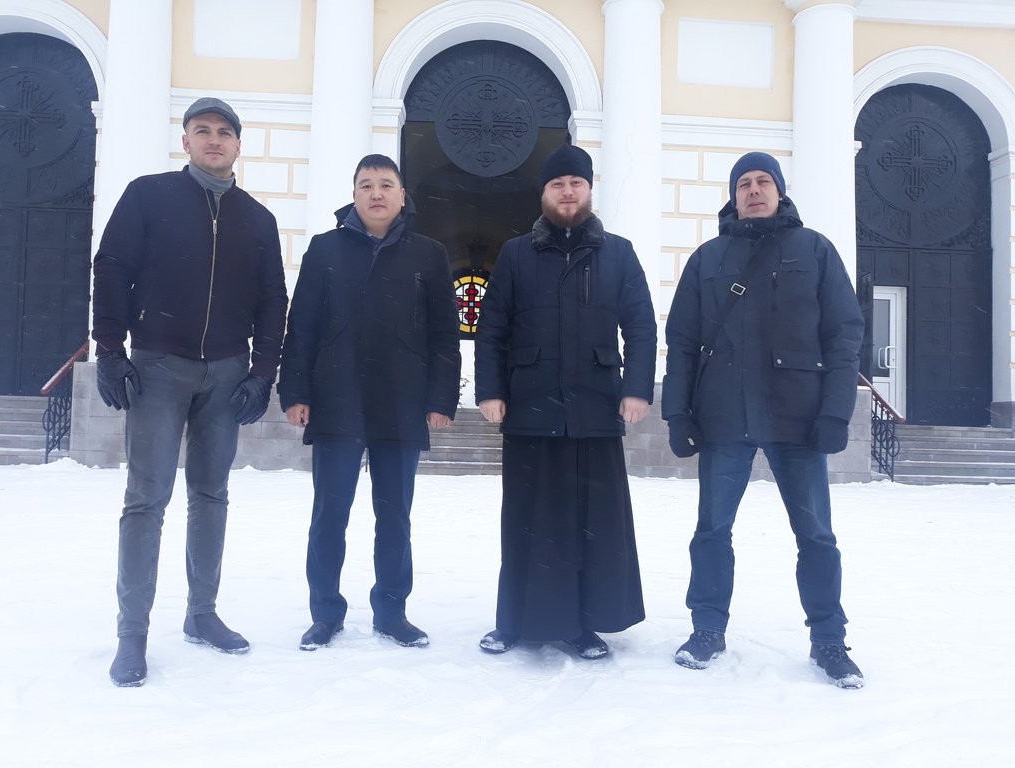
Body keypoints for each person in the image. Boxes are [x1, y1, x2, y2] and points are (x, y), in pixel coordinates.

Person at [92, 97, 289, 687]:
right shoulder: (148, 196)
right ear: (186, 141)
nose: (214, 140)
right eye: (202, 130)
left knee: (211, 495)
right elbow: (112, 266)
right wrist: (110, 349)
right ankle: (132, 634)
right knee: (146, 499)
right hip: (158, 367)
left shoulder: (258, 219)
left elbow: (272, 300)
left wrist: (264, 372)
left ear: (238, 145)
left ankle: (202, 613)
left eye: (224, 132)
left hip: (227, 372)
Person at [662, 152, 866, 688]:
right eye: (744, 184)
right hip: (724, 417)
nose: (753, 190)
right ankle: (707, 629)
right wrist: (677, 412)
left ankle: (829, 640)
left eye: (763, 181)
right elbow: (681, 342)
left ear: (779, 190)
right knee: (712, 531)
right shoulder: (707, 258)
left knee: (816, 535)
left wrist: (835, 413)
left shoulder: (815, 250)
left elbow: (844, 335)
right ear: (733, 195)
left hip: (798, 418)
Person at [474, 144, 657, 660]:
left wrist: (637, 388)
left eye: (576, 183)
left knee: (589, 525)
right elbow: (492, 329)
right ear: (544, 194)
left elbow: (641, 326)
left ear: (590, 189)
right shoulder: (515, 254)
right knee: (526, 522)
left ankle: (581, 624)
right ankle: (515, 621)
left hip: (595, 409)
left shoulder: (619, 254)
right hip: (530, 409)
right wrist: (490, 390)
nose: (568, 192)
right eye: (558, 184)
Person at [278, 154, 460, 651]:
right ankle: (325, 613)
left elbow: (445, 334)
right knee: (329, 516)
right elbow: (302, 327)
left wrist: (441, 397)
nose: (376, 193)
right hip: (336, 401)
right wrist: (295, 392)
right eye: (366, 185)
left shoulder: (429, 255)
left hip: (401, 403)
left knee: (395, 517)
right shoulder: (325, 249)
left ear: (402, 195)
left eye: (385, 184)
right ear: (354, 195)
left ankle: (392, 612)